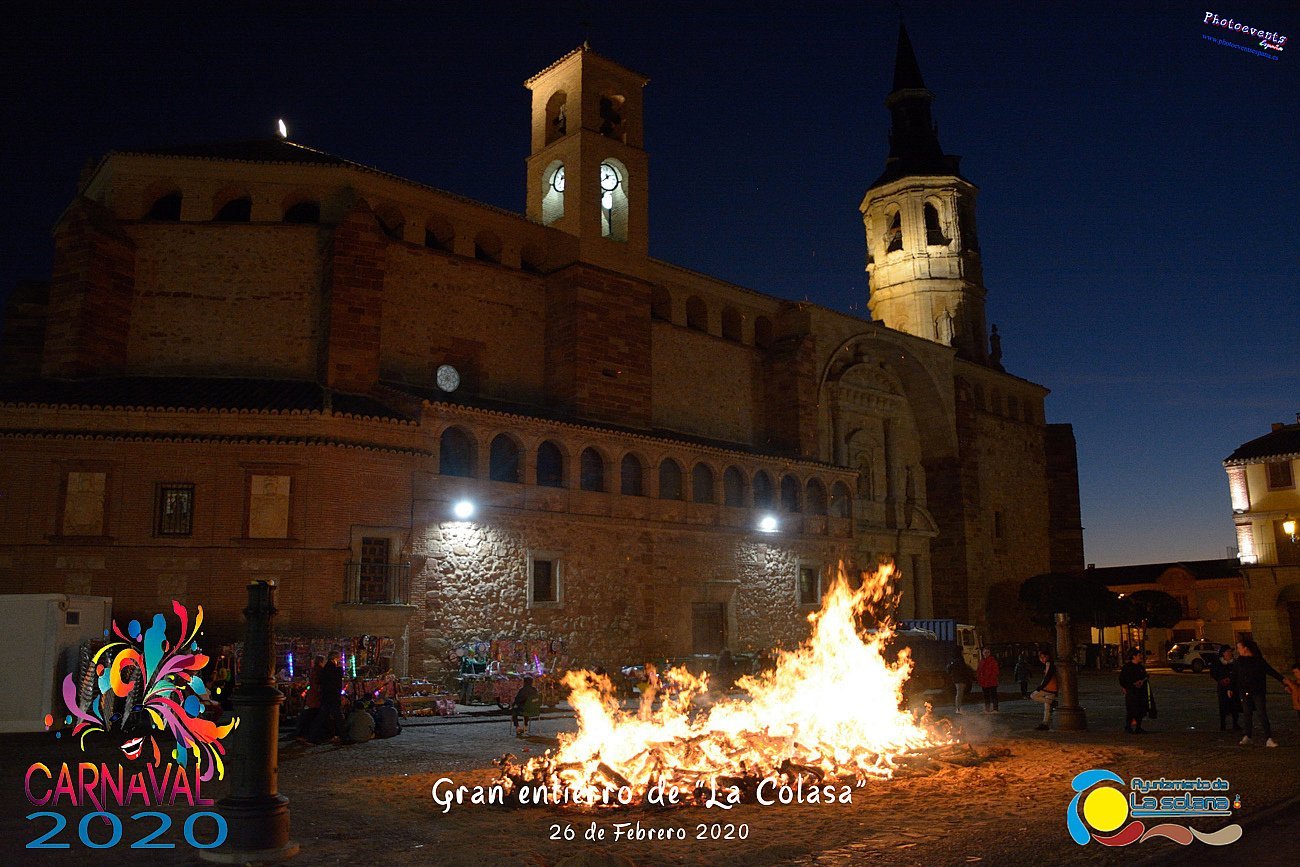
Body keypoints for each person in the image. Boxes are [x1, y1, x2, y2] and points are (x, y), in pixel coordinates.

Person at [1231, 639, 1285, 747]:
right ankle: (1247, 735)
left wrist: (1284, 681)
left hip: (1257, 691)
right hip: (1244, 691)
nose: (1238, 650)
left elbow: (1271, 671)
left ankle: (1268, 738)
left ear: (1246, 648)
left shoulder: (1258, 661)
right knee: (1247, 714)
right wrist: (1230, 688)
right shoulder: (1239, 661)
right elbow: (1234, 675)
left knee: (1262, 713)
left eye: (1239, 647)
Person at [309, 651, 344, 744]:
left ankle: (313, 736)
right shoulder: (333, 668)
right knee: (337, 716)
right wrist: (340, 669)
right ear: (335, 658)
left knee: (323, 717)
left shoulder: (326, 668)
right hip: (332, 696)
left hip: (327, 696)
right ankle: (343, 736)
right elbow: (336, 681)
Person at [1208, 647, 1241, 732]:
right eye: (1228, 651)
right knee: (1223, 705)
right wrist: (1221, 679)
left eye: (1230, 651)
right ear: (1223, 653)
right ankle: (1223, 724)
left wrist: (1232, 679)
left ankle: (1235, 723)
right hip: (1223, 687)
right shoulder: (1218, 662)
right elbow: (1213, 673)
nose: (1230, 653)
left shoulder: (1235, 662)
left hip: (1233, 687)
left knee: (1234, 705)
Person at [1119, 648, 1150, 734]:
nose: (1140, 657)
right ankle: (1128, 727)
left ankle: (1138, 727)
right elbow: (1122, 679)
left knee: (1140, 709)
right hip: (1131, 691)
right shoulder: (1127, 667)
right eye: (1139, 655)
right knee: (1131, 709)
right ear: (1134, 656)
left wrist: (1142, 681)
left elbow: (1145, 676)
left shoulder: (1140, 667)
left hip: (1140, 691)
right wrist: (1127, 686)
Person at [295, 655, 325, 741]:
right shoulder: (319, 670)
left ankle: (304, 733)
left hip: (312, 697)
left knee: (309, 714)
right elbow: (317, 684)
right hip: (316, 697)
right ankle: (307, 734)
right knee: (312, 715)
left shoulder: (314, 670)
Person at [1030, 650, 1058, 731]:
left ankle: (1053, 703)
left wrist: (1041, 687)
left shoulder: (1049, 663)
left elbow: (1048, 676)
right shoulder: (1050, 664)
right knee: (1047, 707)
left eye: (1044, 657)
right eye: (1041, 657)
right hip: (1052, 687)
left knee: (1033, 696)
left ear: (1048, 656)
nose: (1042, 659)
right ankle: (1045, 724)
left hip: (1049, 687)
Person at [976, 647, 1001, 713]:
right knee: (986, 696)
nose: (986, 654)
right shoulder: (981, 661)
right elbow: (979, 671)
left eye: (987, 652)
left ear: (989, 653)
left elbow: (995, 671)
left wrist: (989, 677)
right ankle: (987, 709)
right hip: (984, 682)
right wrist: (979, 679)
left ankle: (995, 709)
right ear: (983, 653)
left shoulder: (992, 661)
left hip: (991, 681)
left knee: (993, 696)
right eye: (985, 652)